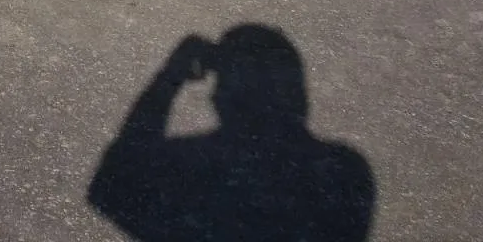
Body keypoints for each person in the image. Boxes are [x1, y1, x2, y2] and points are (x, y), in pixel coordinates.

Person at [89, 25, 375, 241]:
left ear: (220, 99)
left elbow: (110, 184)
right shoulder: (346, 171)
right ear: (296, 96)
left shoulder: (195, 169)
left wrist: (171, 76)